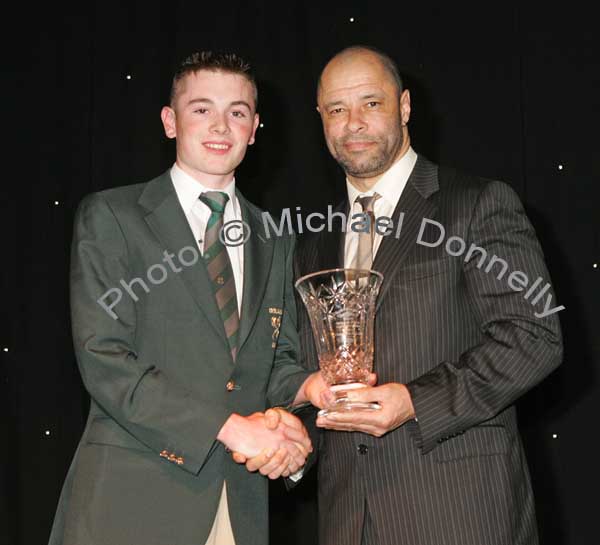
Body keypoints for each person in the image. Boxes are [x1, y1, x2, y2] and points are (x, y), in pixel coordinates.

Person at [248, 45, 564, 545]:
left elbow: (534, 336)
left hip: (460, 513)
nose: (353, 122)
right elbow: (313, 376)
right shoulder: (310, 245)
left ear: (406, 106)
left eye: (371, 103)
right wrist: (293, 437)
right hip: (348, 520)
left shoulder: (477, 204)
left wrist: (414, 401)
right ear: (320, 119)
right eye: (336, 109)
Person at [48, 51, 327, 545]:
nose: (221, 125)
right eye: (202, 109)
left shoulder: (275, 237)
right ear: (169, 121)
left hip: (238, 506)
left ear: (256, 128)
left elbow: (274, 362)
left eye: (238, 112)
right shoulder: (113, 217)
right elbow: (104, 359)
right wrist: (229, 427)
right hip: (129, 503)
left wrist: (308, 391)